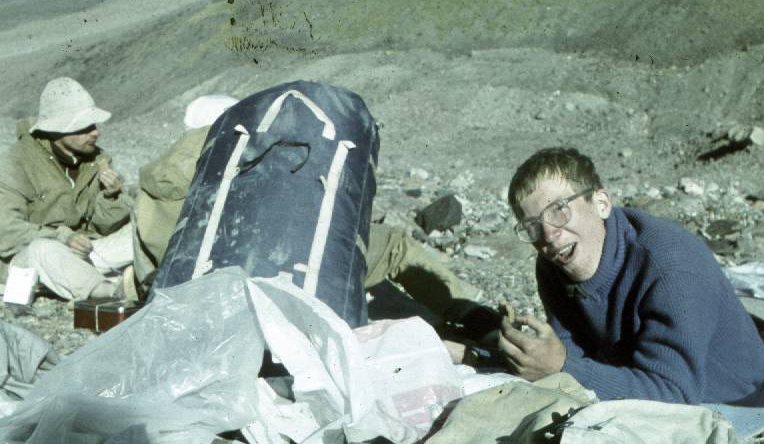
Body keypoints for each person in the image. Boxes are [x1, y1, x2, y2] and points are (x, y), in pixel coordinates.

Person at [133, 95, 500, 338]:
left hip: (191, 298)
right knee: (393, 246)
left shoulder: (156, 178)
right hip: (270, 272)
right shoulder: (237, 154)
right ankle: (474, 316)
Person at [496, 146, 764, 406]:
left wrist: (561, 368)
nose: (549, 235)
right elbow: (574, 350)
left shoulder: (669, 264)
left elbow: (674, 392)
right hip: (687, 355)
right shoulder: (553, 263)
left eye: (559, 209)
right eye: (532, 226)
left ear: (601, 203)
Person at [0, 77, 136, 302]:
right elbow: (6, 232)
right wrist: (62, 238)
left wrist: (110, 197)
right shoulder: (15, 162)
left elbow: (101, 227)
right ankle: (110, 293)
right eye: (84, 126)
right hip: (32, 259)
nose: (95, 132)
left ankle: (152, 280)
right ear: (56, 130)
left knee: (140, 227)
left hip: (82, 252)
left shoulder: (96, 160)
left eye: (94, 125)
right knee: (43, 249)